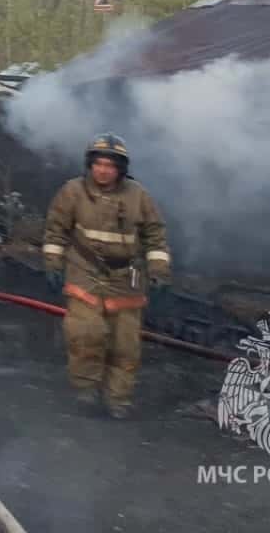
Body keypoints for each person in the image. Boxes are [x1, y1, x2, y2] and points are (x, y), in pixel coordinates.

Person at [42, 133, 172, 418]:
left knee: (125, 344)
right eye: (98, 164)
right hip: (84, 272)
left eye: (110, 165)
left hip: (127, 278)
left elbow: (155, 235)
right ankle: (86, 392)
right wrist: (52, 264)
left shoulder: (138, 195)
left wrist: (160, 273)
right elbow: (55, 231)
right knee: (85, 335)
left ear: (120, 169)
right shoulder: (72, 192)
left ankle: (118, 400)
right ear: (90, 165)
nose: (103, 170)